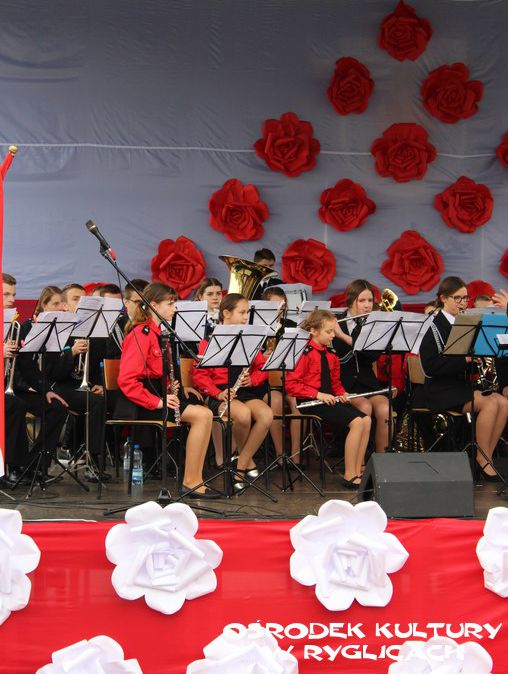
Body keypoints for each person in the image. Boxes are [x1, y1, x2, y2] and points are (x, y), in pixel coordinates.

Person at [116, 281, 216, 498]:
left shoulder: (158, 333)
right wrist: (158, 401)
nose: (174, 308)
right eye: (170, 304)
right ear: (153, 305)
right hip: (140, 404)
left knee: (206, 414)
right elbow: (127, 380)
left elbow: (155, 371)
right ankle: (190, 482)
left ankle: (196, 478)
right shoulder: (140, 334)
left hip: (156, 397)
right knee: (202, 416)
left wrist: (170, 386)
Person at [419, 276, 508, 480]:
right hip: (439, 389)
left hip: (460, 386)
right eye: (457, 298)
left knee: (503, 403)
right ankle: (482, 459)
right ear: (443, 298)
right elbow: (429, 367)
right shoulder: (433, 326)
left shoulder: (467, 323)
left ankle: (486, 456)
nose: (463, 303)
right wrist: (464, 359)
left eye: (465, 298)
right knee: (490, 404)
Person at [192, 293, 273, 491]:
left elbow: (263, 368)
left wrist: (253, 379)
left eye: (247, 313)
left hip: (243, 391)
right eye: (242, 312)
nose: (246, 317)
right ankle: (245, 463)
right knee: (243, 415)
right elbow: (199, 375)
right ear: (226, 313)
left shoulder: (249, 338)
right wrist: (217, 393)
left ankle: (242, 462)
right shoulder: (208, 340)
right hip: (219, 393)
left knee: (266, 415)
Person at [286, 309, 371, 489]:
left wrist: (342, 394)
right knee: (357, 422)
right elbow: (291, 385)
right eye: (329, 331)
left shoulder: (331, 354)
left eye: (333, 331)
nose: (333, 335)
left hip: (328, 400)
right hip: (310, 402)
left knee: (367, 420)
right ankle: (349, 474)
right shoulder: (304, 353)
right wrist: (318, 394)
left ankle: (358, 469)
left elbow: (335, 383)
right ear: (313, 331)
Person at [332, 279, 392, 453]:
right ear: (351, 301)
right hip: (344, 385)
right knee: (364, 407)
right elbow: (336, 356)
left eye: (370, 301)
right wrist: (337, 333)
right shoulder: (337, 322)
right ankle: (360, 461)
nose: (367, 305)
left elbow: (372, 355)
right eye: (362, 301)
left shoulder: (372, 324)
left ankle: (381, 460)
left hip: (367, 383)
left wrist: (343, 336)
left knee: (385, 409)